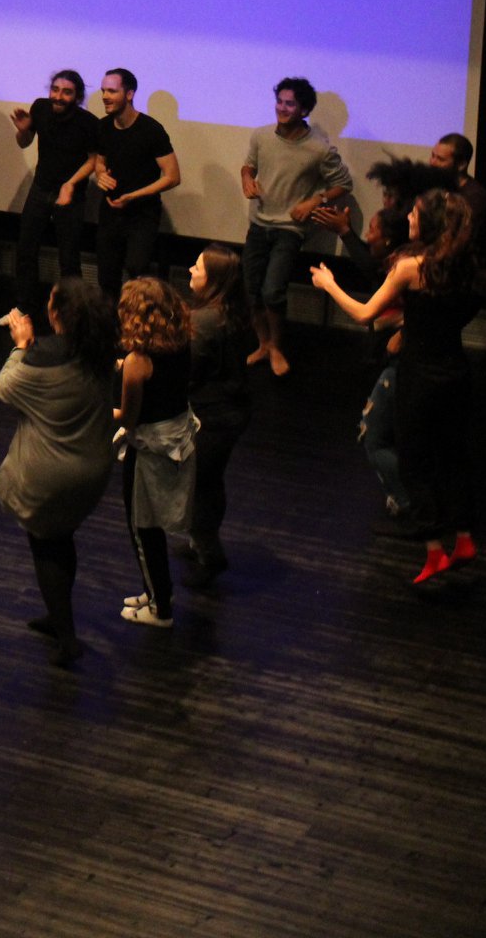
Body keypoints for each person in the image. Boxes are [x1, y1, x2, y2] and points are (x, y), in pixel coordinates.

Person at [311, 189, 486, 586]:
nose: (408, 216)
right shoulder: (466, 264)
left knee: (415, 458)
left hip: (420, 374)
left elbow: (364, 314)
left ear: (432, 223)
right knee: (453, 455)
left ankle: (434, 551)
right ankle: (462, 538)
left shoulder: (412, 267)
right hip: (455, 371)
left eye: (416, 213)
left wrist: (328, 284)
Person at [0, 278, 116, 668]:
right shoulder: (101, 352)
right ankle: (57, 614)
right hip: (92, 467)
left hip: (51, 475)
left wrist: (21, 345)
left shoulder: (41, 356)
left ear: (57, 314)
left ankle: (66, 637)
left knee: (46, 545)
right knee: (63, 539)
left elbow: (4, 388)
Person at [239, 77, 353, 376]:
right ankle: (263, 344)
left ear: (303, 109)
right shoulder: (261, 136)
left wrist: (316, 200)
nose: (282, 108)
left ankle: (276, 347)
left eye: (290, 104)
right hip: (258, 223)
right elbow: (248, 165)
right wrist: (247, 180)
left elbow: (343, 183)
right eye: (280, 101)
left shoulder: (318, 148)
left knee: (272, 291)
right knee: (251, 290)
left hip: (289, 228)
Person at [116, 276, 199, 629]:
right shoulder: (179, 342)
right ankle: (155, 591)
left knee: (143, 526)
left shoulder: (138, 360)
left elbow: (129, 417)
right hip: (176, 438)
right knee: (148, 525)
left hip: (151, 447)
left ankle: (160, 608)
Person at [182, 244, 252, 587]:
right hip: (232, 412)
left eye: (197, 267)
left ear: (214, 279)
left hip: (211, 417)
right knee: (209, 481)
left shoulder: (203, 321)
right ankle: (200, 540)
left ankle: (210, 553)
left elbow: (190, 371)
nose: (191, 271)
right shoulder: (234, 312)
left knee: (201, 485)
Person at [10, 70, 100, 315]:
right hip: (41, 187)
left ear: (77, 96)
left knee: (69, 258)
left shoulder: (88, 123)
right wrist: (23, 130)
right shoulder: (40, 108)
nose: (59, 96)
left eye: (67, 92)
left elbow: (93, 161)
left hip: (71, 195)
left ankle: (72, 314)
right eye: (55, 90)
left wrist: (70, 184)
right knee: (26, 249)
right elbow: (24, 142)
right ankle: (22, 308)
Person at [93, 69, 180, 298]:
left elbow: (172, 176)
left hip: (142, 215)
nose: (105, 96)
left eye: (112, 91)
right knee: (106, 277)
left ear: (129, 94)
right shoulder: (103, 127)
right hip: (110, 213)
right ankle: (109, 328)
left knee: (137, 272)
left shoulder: (151, 130)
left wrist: (134, 196)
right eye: (103, 90)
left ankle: (138, 326)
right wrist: (100, 174)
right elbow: (99, 162)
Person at [428, 131, 486, 235]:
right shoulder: (436, 187)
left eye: (440, 159)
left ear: (461, 165)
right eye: (433, 156)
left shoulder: (475, 197)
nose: (432, 162)